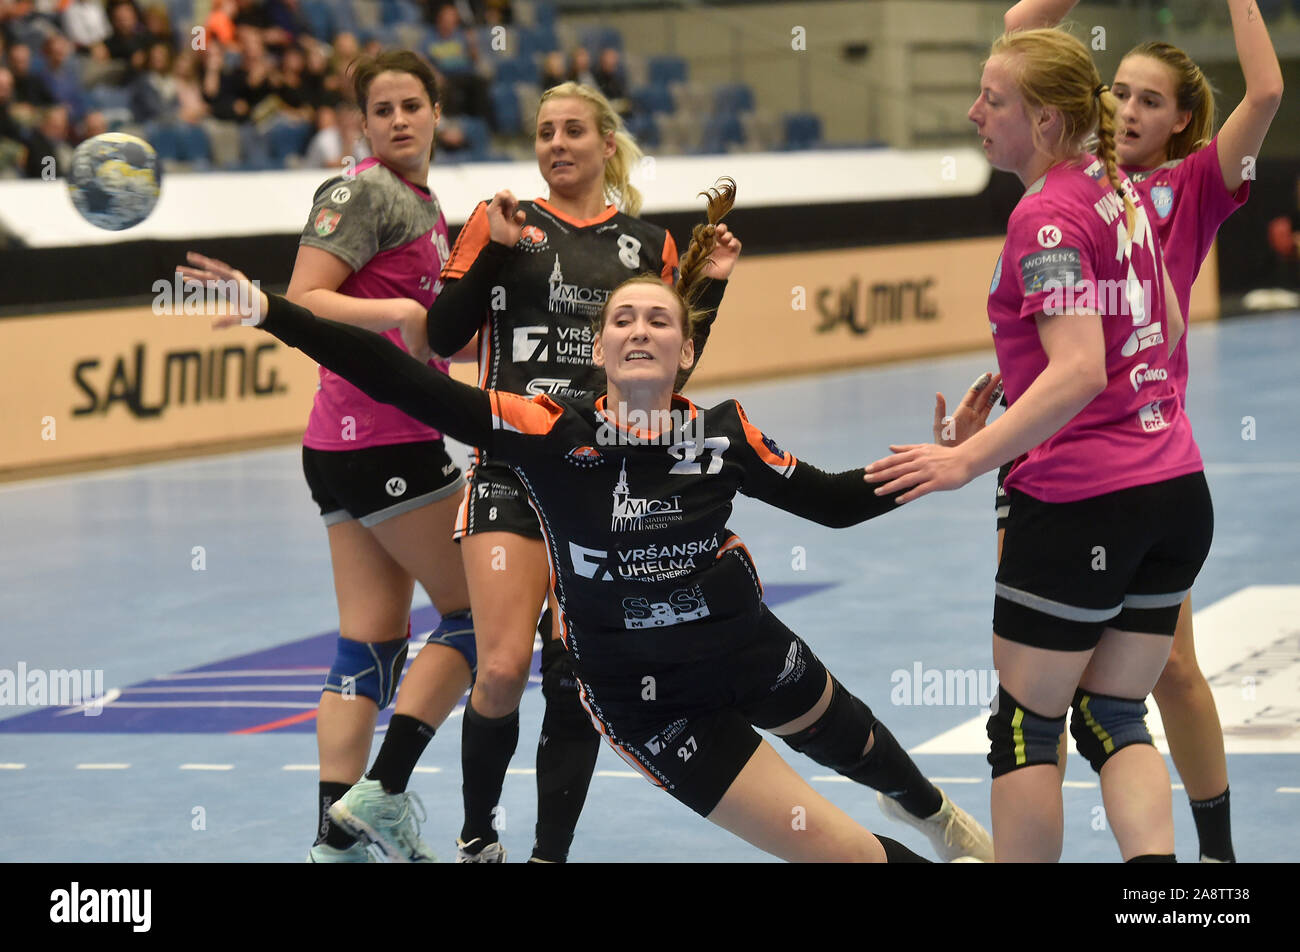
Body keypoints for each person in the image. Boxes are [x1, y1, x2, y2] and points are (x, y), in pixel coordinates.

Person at [178, 207, 996, 864]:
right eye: (625, 319)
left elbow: (834, 502)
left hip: (746, 646)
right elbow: (397, 374)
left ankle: (938, 815)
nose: (641, 329)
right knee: (846, 855)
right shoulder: (543, 430)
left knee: (870, 756)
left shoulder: (721, 433)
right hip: (653, 709)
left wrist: (955, 460)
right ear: (601, 348)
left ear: (683, 350)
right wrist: (269, 311)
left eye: (660, 321)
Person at [353, 81, 736, 864]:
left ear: (605, 145)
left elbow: (669, 362)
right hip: (511, 471)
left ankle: (547, 856)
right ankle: (476, 834)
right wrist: (489, 245)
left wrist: (714, 288)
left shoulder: (647, 244)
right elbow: (439, 339)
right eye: (544, 132)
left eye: (573, 131)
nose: (557, 144)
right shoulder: (505, 225)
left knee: (573, 679)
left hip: (601, 483)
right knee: (498, 667)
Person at [869, 26, 1215, 863]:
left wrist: (963, 460)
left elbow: (1079, 369)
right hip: (1174, 486)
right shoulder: (1115, 186)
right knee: (1115, 712)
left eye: (994, 99)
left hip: (1083, 503)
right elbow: (1161, 324)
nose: (973, 111)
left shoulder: (1049, 214)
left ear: (1049, 122)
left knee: (1026, 725)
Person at [981, 0, 1284, 863]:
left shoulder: (1181, 187)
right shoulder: (1094, 180)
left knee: (1133, 684)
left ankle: (1215, 853)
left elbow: (1265, 92)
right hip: (1093, 462)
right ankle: (1169, 872)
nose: (1130, 110)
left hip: (1116, 459)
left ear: (1184, 119)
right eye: (1119, 93)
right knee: (1092, 697)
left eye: (1152, 99)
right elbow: (1022, 31)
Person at [277, 49, 478, 863]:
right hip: (384, 442)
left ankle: (336, 843)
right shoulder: (362, 192)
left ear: (436, 113)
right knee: (482, 615)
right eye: (383, 108)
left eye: (412, 105)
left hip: (343, 446)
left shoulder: (424, 203)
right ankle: (382, 795)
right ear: (363, 123)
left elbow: (425, 342)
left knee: (370, 640)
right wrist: (399, 308)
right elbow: (304, 299)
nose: (399, 119)